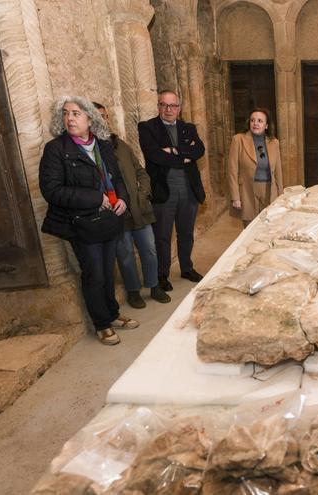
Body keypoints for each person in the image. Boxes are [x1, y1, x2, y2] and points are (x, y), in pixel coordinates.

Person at [39, 96, 139, 346]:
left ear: (90, 119)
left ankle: (112, 314)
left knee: (107, 271)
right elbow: (51, 190)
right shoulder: (56, 149)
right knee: (94, 274)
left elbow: (117, 178)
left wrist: (123, 199)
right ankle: (101, 324)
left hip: (108, 220)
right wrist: (95, 198)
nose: (70, 118)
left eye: (76, 113)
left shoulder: (103, 145)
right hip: (81, 223)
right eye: (66, 113)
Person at [94, 102, 170, 309]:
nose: (103, 120)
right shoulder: (92, 151)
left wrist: (143, 193)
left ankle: (154, 286)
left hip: (139, 208)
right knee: (125, 253)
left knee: (149, 249)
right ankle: (133, 291)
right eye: (97, 116)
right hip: (117, 213)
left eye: (105, 116)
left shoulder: (121, 146)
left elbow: (141, 172)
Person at [138, 90, 206, 288]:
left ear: (179, 108)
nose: (168, 110)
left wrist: (173, 151)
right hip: (163, 191)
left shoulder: (188, 127)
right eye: (164, 105)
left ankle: (186, 268)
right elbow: (154, 156)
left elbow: (199, 150)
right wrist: (184, 155)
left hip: (188, 190)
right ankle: (162, 274)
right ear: (158, 106)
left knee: (186, 233)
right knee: (162, 236)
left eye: (173, 106)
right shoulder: (147, 128)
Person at [227, 108, 284, 227]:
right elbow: (232, 170)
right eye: (252, 120)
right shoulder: (238, 140)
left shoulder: (274, 142)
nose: (255, 123)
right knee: (250, 229)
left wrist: (280, 195)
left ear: (266, 125)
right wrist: (235, 197)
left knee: (269, 227)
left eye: (260, 120)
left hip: (269, 189)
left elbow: (278, 171)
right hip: (246, 190)